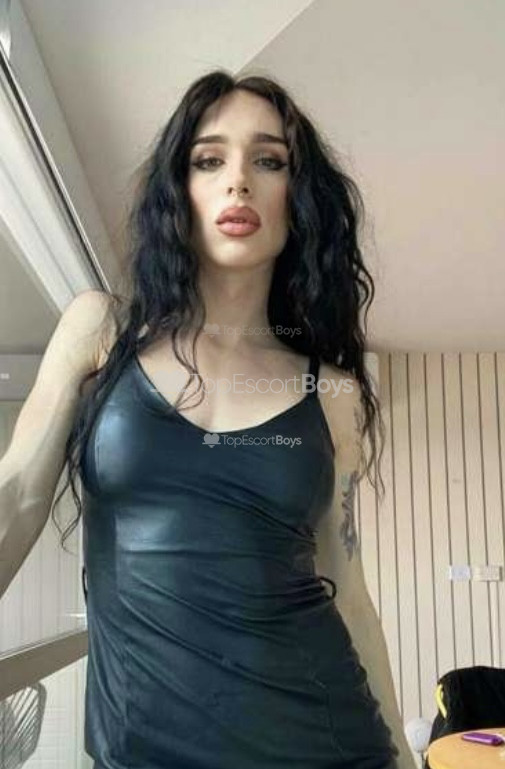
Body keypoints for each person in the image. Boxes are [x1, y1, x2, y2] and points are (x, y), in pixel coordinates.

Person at [0, 70, 416, 768]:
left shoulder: (331, 393)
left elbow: (347, 592)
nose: (238, 182)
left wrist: (401, 754)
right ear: (179, 189)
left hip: (329, 745)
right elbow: (18, 495)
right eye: (208, 159)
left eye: (269, 161)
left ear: (298, 198)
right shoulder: (102, 333)